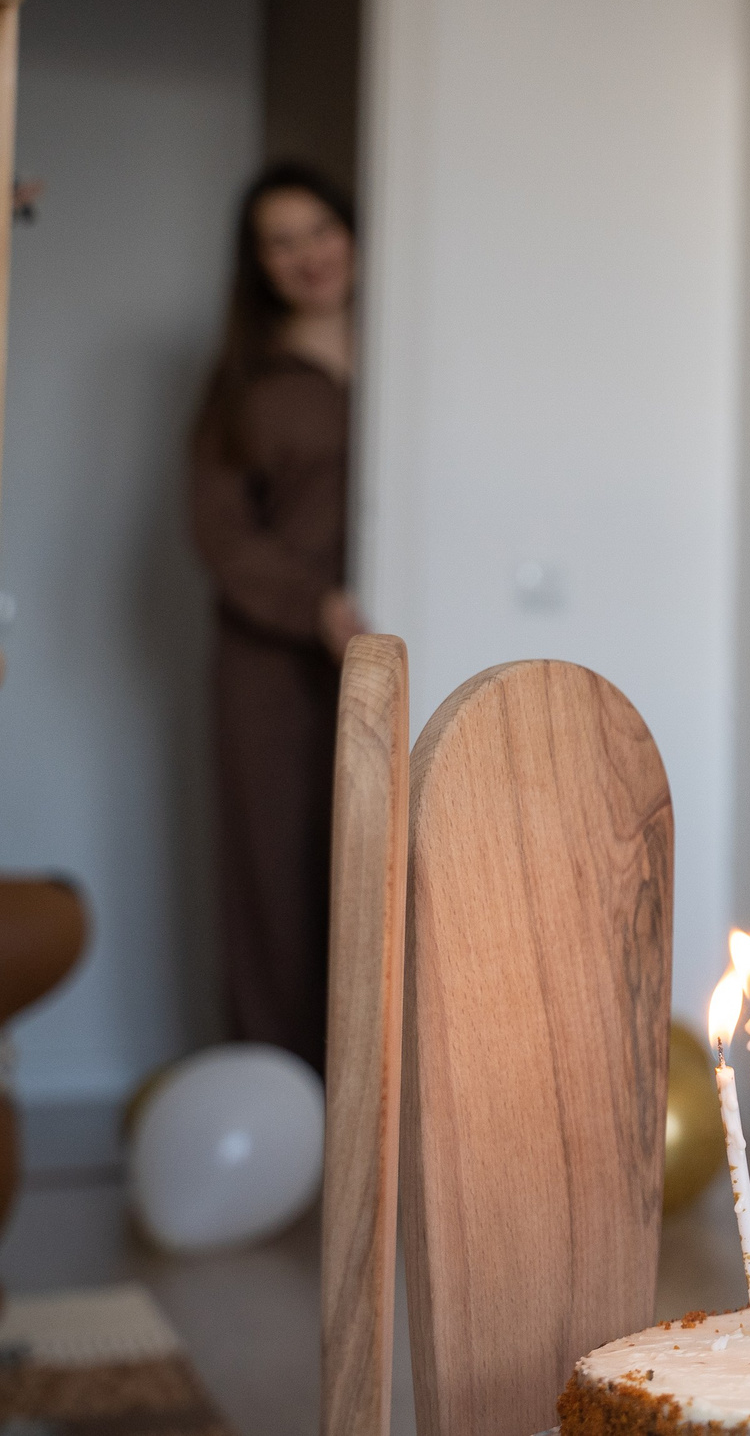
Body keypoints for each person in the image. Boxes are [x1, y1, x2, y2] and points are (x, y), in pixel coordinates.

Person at [189, 161, 367, 1075]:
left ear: (352, 232)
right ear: (258, 263)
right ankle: (279, 1102)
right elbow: (220, 534)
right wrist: (314, 605)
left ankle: (367, 1113)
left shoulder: (411, 344)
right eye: (281, 242)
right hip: (269, 667)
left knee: (375, 873)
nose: (308, 255)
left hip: (381, 653)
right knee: (274, 885)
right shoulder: (244, 383)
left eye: (320, 230)